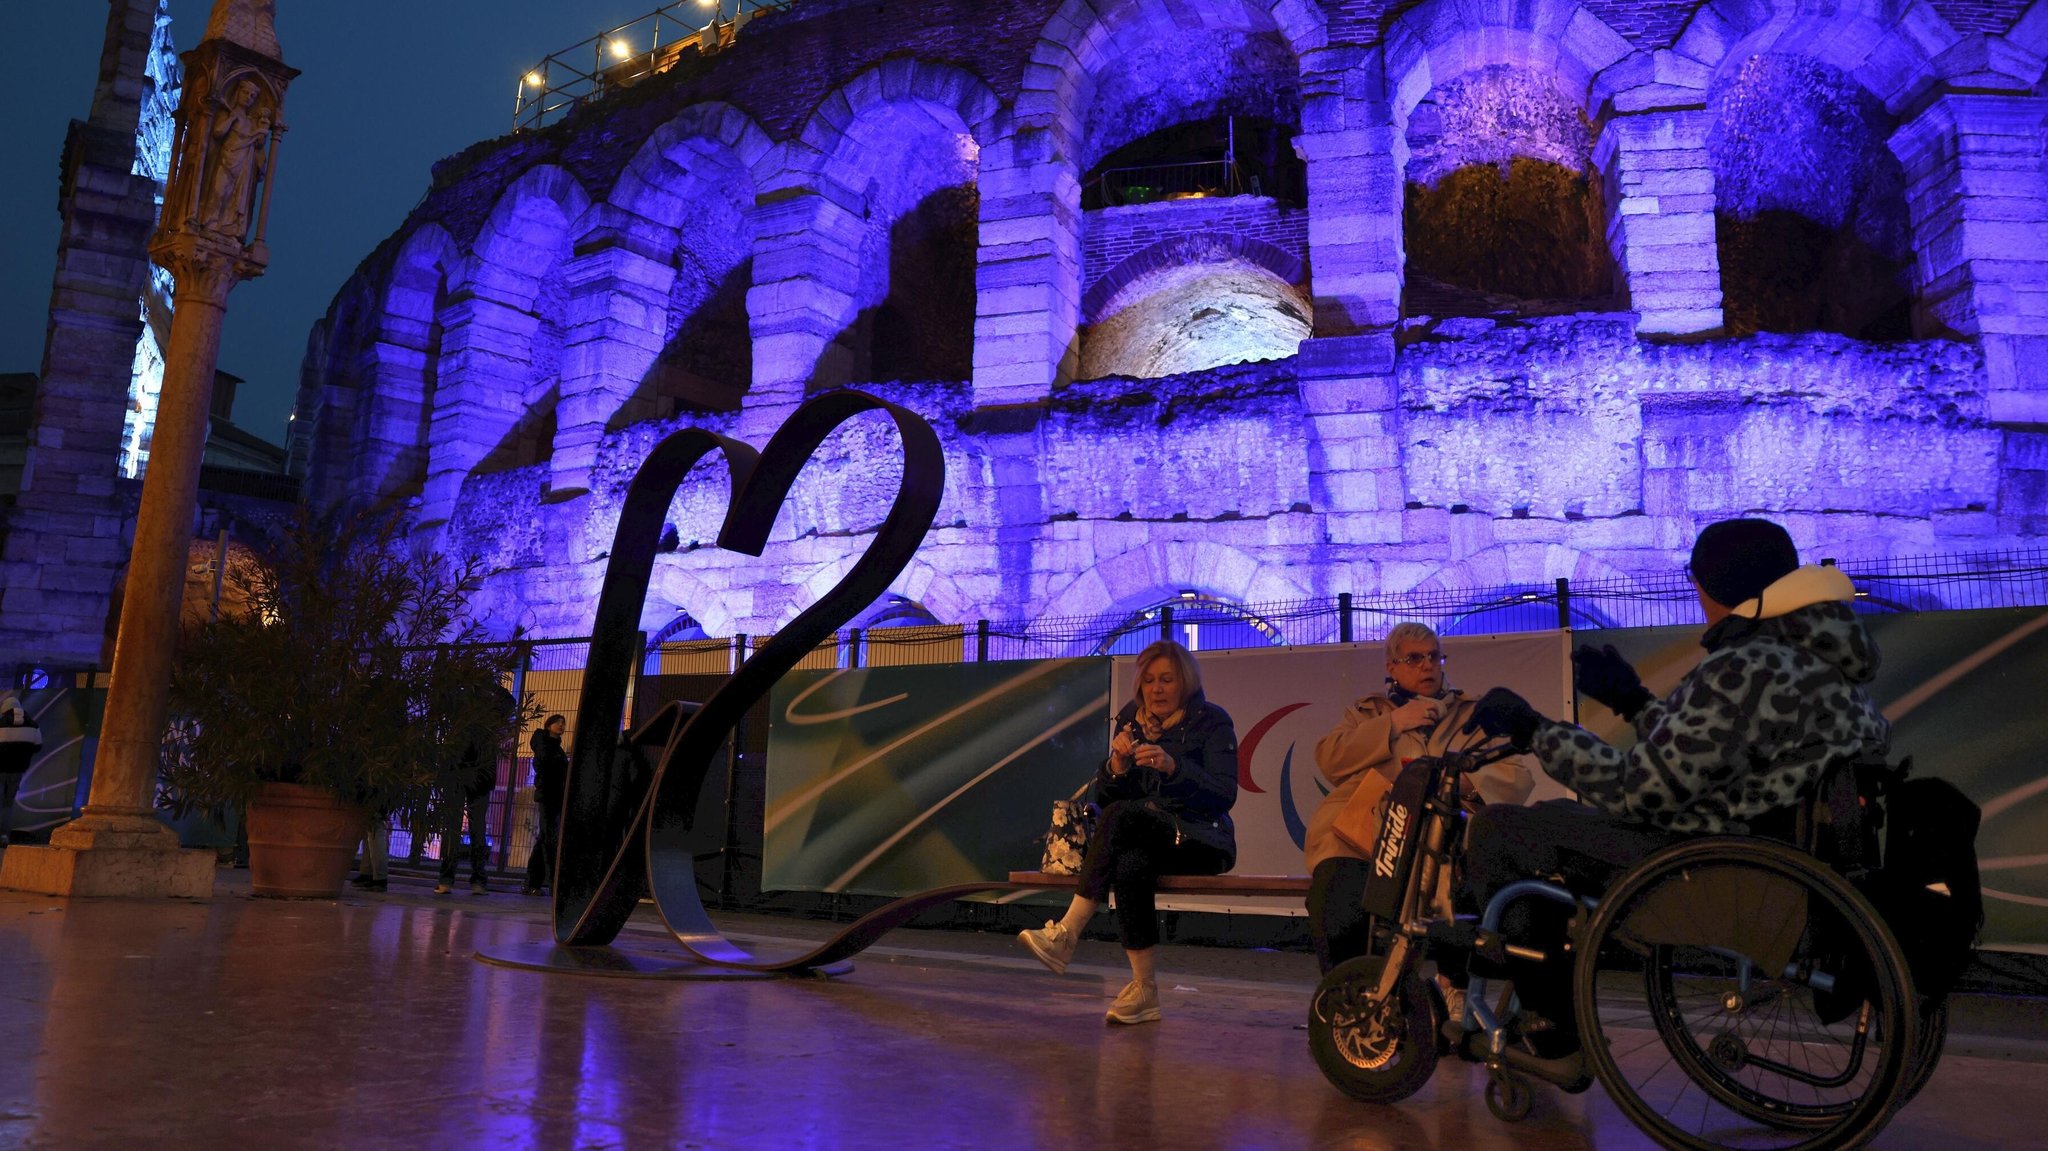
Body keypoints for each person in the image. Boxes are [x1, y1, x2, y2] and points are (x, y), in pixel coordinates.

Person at [1460, 517, 1891, 1058]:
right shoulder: (1815, 658)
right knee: (1556, 825)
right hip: (1785, 863)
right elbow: (1711, 760)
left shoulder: (1746, 666)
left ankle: (1549, 1023)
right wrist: (1634, 702)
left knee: (1504, 829)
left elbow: (1639, 790)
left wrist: (1533, 730)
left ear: (1712, 587)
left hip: (1729, 869)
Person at [1018, 640, 1239, 1024]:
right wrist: (1116, 766)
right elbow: (1106, 800)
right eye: (1149, 680)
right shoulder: (1130, 721)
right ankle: (1145, 991)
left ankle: (1067, 933)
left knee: (1123, 820)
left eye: (1167, 680)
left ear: (1185, 682)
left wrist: (1174, 768)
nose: (1156, 689)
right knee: (1130, 865)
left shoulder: (1213, 722)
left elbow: (1223, 795)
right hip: (1146, 836)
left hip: (1201, 839)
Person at [1302, 622, 1533, 973]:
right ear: (1391, 666)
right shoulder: (1368, 712)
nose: (1427, 665)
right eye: (1413, 658)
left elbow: (1517, 776)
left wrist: (1459, 783)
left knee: (1486, 908)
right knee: (1337, 901)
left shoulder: (1472, 713)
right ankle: (1350, 998)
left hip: (1446, 844)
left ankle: (1454, 988)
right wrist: (1393, 723)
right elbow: (1330, 759)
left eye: (1433, 656)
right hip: (1366, 841)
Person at [436, 739, 499, 895]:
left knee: (454, 829)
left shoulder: (463, 724)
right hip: (479, 781)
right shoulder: (488, 731)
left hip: (459, 778)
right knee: (477, 830)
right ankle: (478, 881)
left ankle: (447, 880)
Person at [523, 714, 569, 897]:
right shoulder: (545, 745)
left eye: (563, 723)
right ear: (549, 725)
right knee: (548, 838)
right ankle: (546, 882)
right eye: (558, 722)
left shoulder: (556, 747)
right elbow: (546, 766)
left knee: (546, 837)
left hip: (555, 796)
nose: (561, 725)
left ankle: (533, 882)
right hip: (549, 795)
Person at [0, 692, 43, 847]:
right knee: (7, 804)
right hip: (17, 770)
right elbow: (38, 746)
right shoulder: (33, 725)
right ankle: (3, 835)